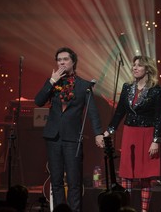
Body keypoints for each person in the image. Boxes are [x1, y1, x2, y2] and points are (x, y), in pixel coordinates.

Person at [34, 47, 104, 212]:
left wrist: (98, 133)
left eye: (65, 59)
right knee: (56, 180)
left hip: (73, 138)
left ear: (73, 62)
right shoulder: (53, 82)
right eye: (59, 60)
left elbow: (92, 112)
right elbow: (38, 101)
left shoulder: (84, 85)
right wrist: (51, 81)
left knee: (74, 181)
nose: (62, 62)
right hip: (53, 137)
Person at [103, 55, 161, 212]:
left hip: (147, 133)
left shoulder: (156, 90)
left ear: (147, 69)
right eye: (134, 65)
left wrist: (156, 140)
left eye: (139, 65)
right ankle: (126, 209)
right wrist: (109, 130)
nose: (135, 68)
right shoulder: (127, 87)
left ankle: (144, 211)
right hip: (130, 132)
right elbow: (120, 112)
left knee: (145, 176)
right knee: (127, 174)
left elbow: (159, 117)